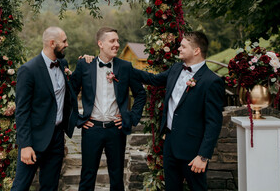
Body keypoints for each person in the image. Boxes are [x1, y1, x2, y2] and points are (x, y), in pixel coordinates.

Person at [133, 31, 224, 191]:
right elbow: (153, 80)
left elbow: (214, 122)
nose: (179, 49)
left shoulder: (212, 81)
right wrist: (124, 68)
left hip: (193, 152)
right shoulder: (175, 69)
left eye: (183, 46)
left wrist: (203, 156)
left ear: (196, 51)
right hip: (170, 147)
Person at [70, 27, 146, 191]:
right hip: (92, 129)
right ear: (100, 43)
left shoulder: (125, 66)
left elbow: (141, 93)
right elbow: (70, 93)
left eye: (118, 41)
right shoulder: (85, 64)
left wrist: (131, 118)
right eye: (112, 41)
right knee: (87, 177)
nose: (117, 44)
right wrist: (77, 119)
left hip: (116, 130)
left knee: (117, 178)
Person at [11, 26, 79, 191]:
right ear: (52, 43)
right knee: (20, 186)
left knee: (50, 187)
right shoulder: (28, 70)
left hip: (56, 138)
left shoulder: (63, 63)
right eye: (64, 41)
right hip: (33, 140)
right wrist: (25, 145)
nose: (67, 44)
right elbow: (21, 111)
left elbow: (68, 94)